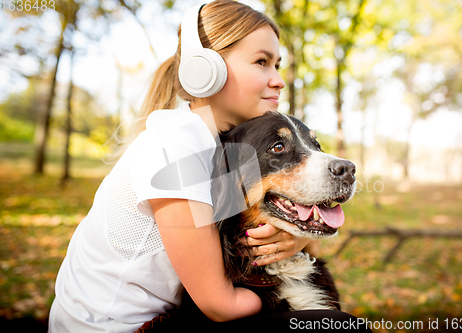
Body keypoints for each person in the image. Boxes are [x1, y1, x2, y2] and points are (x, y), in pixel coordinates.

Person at [48, 1, 313, 332]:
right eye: (262, 62)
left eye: (278, 64)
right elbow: (221, 304)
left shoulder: (219, 145)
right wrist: (290, 300)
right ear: (204, 68)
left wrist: (298, 239)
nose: (278, 80)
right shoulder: (177, 146)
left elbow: (243, 237)